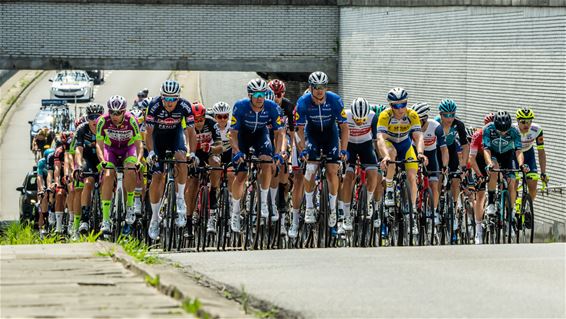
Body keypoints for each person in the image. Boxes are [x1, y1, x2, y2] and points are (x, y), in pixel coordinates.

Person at [229, 78, 284, 232]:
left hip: (261, 134)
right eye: (257, 94)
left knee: (267, 162)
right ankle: (235, 212)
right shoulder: (240, 106)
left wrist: (278, 153)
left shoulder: (272, 107)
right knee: (240, 174)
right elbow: (232, 133)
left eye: (263, 94)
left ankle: (264, 202)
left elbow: (279, 133)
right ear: (250, 95)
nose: (260, 97)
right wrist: (236, 150)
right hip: (243, 137)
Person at [295, 71, 349, 228]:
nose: (320, 90)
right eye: (316, 87)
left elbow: (344, 128)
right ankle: (310, 206)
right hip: (312, 135)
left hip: (330, 135)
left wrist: (344, 149)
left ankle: (333, 208)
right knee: (310, 169)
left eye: (323, 87)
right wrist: (302, 149)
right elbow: (299, 130)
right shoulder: (303, 102)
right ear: (310, 88)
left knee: (333, 170)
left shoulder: (335, 100)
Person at [146, 80, 198, 240]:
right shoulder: (154, 105)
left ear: (178, 98)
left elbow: (191, 132)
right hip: (158, 139)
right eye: (166, 99)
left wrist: (193, 153)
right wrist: (151, 152)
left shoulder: (185, 106)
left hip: (175, 136)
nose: (170, 103)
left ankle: (180, 198)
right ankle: (154, 218)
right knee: (157, 176)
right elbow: (148, 133)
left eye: (173, 99)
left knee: (182, 158)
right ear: (161, 98)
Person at [376, 88, 427, 236]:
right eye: (396, 106)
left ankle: (412, 213)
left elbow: (418, 136)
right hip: (390, 144)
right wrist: (385, 156)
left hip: (405, 144)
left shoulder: (412, 115)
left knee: (412, 176)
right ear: (391, 106)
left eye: (403, 104)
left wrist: (421, 153)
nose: (400, 109)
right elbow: (380, 138)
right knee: (391, 154)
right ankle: (390, 188)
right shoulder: (385, 115)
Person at [96, 96, 144, 235]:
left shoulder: (131, 120)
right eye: (112, 112)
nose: (114, 116)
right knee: (108, 174)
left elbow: (139, 144)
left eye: (118, 113)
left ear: (124, 112)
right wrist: (102, 161)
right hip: (110, 149)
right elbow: (99, 145)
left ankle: (129, 206)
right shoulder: (103, 121)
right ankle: (105, 219)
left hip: (128, 149)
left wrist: (139, 160)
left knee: (130, 170)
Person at [338, 97, 378, 234]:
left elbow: (377, 140)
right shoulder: (345, 115)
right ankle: (346, 215)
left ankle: (367, 201)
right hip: (349, 146)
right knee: (348, 176)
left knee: (373, 173)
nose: (360, 123)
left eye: (363, 120)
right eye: (357, 120)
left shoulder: (373, 117)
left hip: (365, 145)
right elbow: (339, 136)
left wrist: (381, 157)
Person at [183, 102, 223, 233]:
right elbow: (186, 147)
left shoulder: (212, 123)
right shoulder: (187, 126)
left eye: (201, 119)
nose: (199, 122)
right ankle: (189, 218)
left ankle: (213, 192)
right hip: (194, 154)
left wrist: (211, 147)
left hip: (208, 152)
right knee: (193, 182)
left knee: (216, 164)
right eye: (196, 119)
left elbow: (220, 146)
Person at [482, 111, 528, 219]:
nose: (502, 133)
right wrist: (489, 164)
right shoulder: (488, 129)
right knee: (494, 170)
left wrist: (521, 165)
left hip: (508, 154)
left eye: (505, 130)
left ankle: (511, 213)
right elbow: (486, 149)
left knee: (511, 182)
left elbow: (518, 150)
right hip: (493, 154)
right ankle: (491, 203)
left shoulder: (514, 131)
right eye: (500, 130)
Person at [410, 102, 448, 225]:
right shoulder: (411, 126)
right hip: (414, 152)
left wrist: (444, 166)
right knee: (412, 180)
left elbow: (443, 149)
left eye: (419, 120)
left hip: (431, 155)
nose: (416, 123)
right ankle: (413, 205)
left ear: (425, 119)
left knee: (433, 184)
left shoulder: (436, 127)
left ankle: (434, 211)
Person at [75, 103, 104, 236]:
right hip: (88, 160)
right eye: (91, 117)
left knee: (107, 183)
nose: (94, 120)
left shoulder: (106, 128)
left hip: (102, 159)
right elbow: (79, 150)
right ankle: (84, 219)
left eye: (97, 117)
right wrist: (79, 165)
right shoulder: (82, 129)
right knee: (88, 182)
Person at [469, 113, 494, 244]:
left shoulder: (498, 135)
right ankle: (478, 229)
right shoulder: (478, 135)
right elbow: (471, 159)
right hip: (479, 161)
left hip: (493, 160)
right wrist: (479, 174)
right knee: (479, 195)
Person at [513, 107, 548, 202]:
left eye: (529, 121)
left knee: (533, 187)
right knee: (513, 183)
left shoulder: (537, 130)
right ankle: (511, 210)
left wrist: (543, 172)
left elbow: (541, 151)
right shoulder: (512, 129)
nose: (526, 125)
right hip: (514, 155)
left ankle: (528, 207)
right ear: (518, 121)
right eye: (523, 122)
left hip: (529, 154)